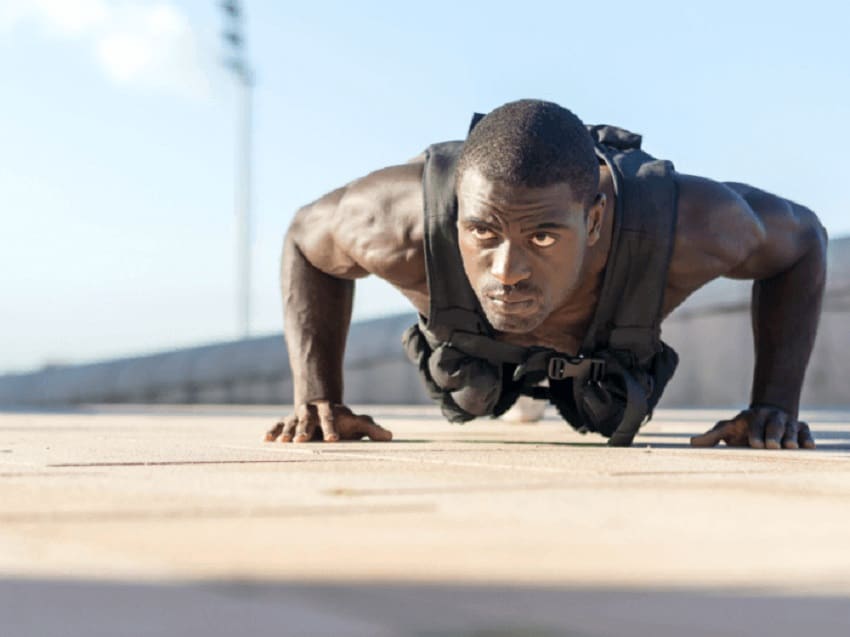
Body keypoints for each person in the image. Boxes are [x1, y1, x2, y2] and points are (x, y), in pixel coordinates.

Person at [265, 99, 827, 449]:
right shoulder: (395, 220)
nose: (507, 271)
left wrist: (773, 406)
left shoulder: (692, 224)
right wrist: (318, 396)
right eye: (484, 232)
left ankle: (556, 385)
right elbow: (304, 241)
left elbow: (804, 240)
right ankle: (513, 386)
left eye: (542, 237)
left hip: (604, 353)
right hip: (473, 351)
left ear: (595, 219)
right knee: (473, 394)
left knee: (608, 410)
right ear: (458, 212)